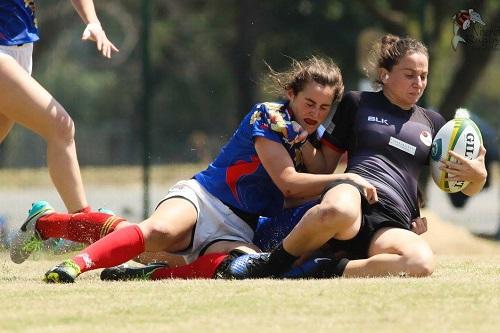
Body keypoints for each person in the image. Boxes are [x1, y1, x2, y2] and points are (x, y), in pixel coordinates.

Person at [13, 55, 377, 283]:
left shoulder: (308, 141)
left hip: (237, 225)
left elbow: (318, 174)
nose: (314, 112)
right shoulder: (270, 116)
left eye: (324, 108)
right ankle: (72, 263)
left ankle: (148, 275)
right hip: (203, 198)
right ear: (291, 94)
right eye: (309, 102)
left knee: (245, 268)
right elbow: (289, 184)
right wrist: (346, 177)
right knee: (155, 232)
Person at [226, 34, 488, 279]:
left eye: (423, 76)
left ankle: (326, 268)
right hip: (354, 196)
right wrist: (301, 134)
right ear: (385, 75)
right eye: (409, 75)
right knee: (337, 208)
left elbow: (460, 186)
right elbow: (323, 168)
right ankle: (270, 264)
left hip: (393, 220)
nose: (418, 83)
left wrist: (478, 176)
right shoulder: (356, 103)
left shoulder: (433, 122)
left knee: (420, 263)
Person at [3, 0, 119, 263]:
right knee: (61, 127)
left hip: (21, 47)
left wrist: (93, 21)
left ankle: (41, 224)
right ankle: (84, 223)